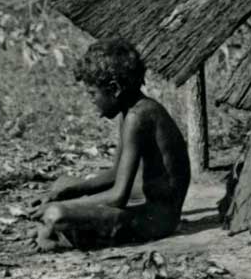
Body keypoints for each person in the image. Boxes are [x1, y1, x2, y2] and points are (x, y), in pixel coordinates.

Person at [31, 38, 191, 252]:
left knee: (56, 214)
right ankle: (57, 227)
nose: (91, 100)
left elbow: (118, 197)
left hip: (158, 221)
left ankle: (59, 233)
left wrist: (63, 206)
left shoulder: (138, 117)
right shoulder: (131, 111)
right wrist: (66, 193)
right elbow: (117, 174)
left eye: (92, 93)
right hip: (143, 202)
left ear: (114, 88)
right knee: (62, 184)